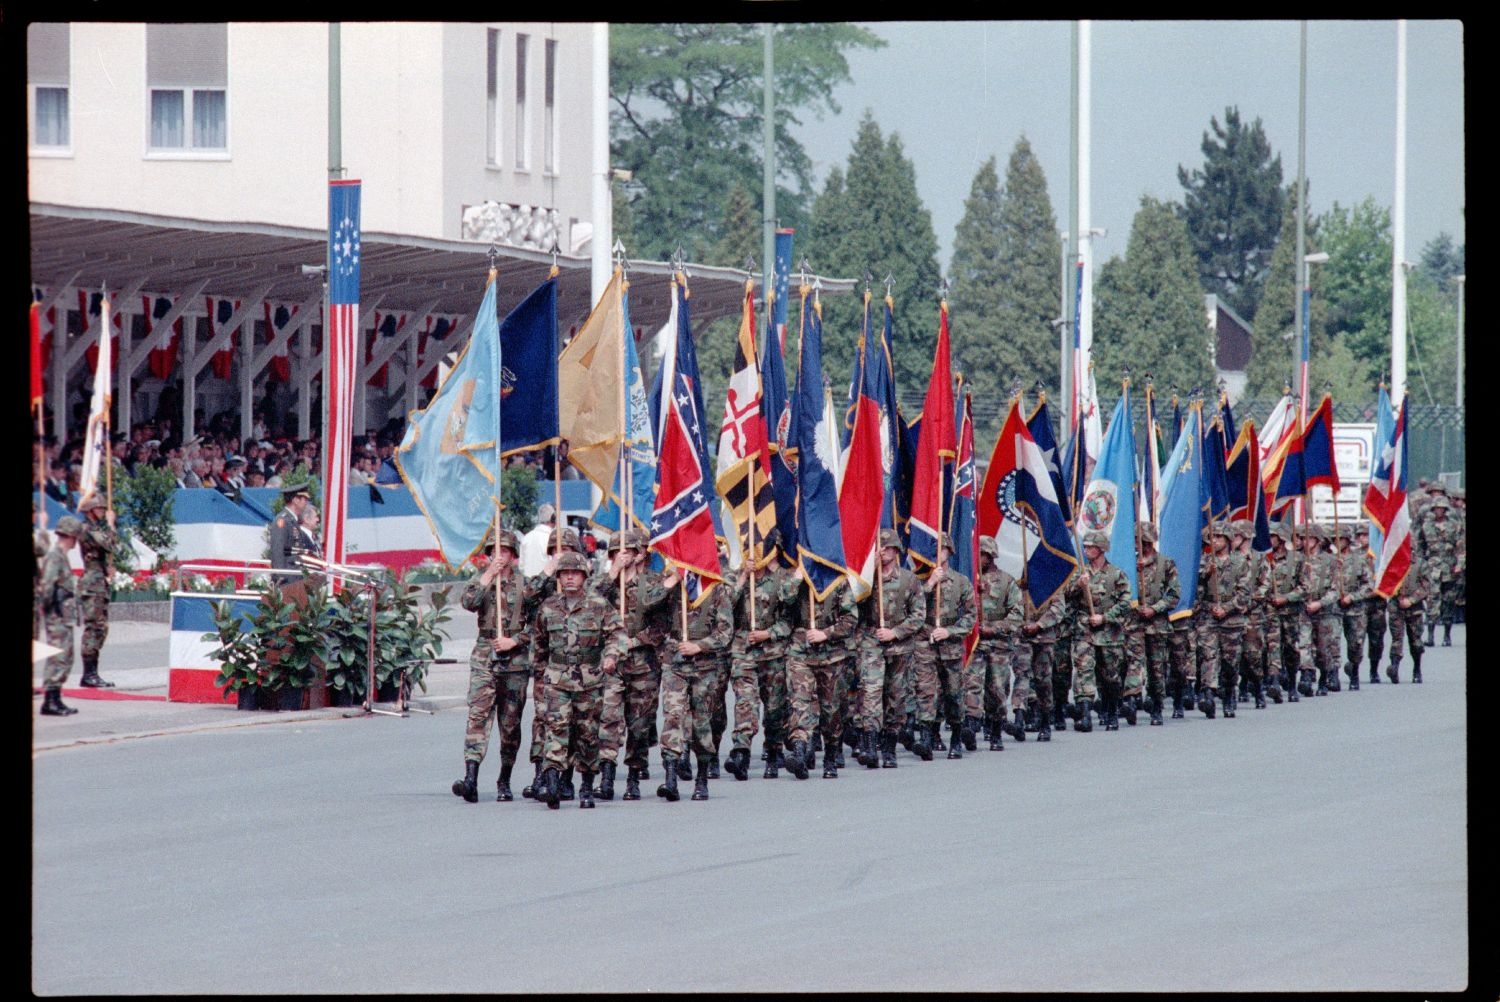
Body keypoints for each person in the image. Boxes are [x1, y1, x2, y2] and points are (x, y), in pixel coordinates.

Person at [530, 550, 626, 809]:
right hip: (557, 679)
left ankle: (586, 786)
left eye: (575, 573)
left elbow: (617, 634)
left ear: (584, 576)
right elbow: (538, 643)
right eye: (564, 573)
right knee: (556, 730)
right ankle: (552, 783)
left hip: (589, 679)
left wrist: (611, 656)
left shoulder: (598, 605)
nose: (570, 577)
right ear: (559, 577)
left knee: (587, 734)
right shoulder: (549, 607)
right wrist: (540, 674)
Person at [451, 530, 541, 804]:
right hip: (485, 657)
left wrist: (515, 640)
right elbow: (468, 602)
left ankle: (505, 777)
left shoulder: (525, 586)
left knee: (510, 725)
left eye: (504, 551)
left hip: (514, 662)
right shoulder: (481, 580)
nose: (498, 556)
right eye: (493, 551)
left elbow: (540, 626)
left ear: (513, 555)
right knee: (478, 716)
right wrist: (488, 574)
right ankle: (471, 777)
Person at [592, 530, 671, 799]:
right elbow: (589, 601)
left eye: (629, 552)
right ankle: (606, 776)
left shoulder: (652, 583)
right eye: (617, 553)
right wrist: (614, 570)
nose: (624, 556)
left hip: (644, 665)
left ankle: (634, 775)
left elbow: (663, 625)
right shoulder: (606, 584)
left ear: (641, 555)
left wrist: (635, 642)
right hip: (611, 664)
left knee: (640, 724)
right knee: (609, 720)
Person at [656, 567, 735, 801]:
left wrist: (700, 646)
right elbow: (647, 603)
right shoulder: (670, 584)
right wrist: (673, 580)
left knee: (702, 723)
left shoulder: (716, 588)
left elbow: (725, 631)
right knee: (672, 716)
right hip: (675, 665)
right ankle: (670, 778)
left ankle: (701, 779)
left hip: (705, 668)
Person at [726, 530, 794, 779]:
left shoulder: (782, 581)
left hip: (773, 654)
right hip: (743, 652)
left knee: (775, 708)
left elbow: (790, 620)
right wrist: (744, 575)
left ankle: (774, 750)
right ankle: (741, 751)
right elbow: (724, 606)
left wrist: (769, 634)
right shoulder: (738, 579)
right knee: (745, 701)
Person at [856, 529, 926, 767]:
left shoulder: (909, 579)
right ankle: (870, 745)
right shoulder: (867, 579)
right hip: (872, 642)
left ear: (896, 550)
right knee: (871, 692)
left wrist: (895, 632)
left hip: (900, 645)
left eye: (886, 548)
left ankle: (889, 748)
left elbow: (918, 616)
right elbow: (852, 604)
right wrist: (867, 573)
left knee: (896, 698)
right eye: (880, 547)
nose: (882, 551)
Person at [782, 571, 858, 780]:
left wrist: (826, 633)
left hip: (831, 656)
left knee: (831, 709)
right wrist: (798, 577)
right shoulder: (798, 578)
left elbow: (850, 619)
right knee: (799, 702)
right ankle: (799, 751)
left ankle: (831, 756)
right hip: (801, 653)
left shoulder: (839, 581)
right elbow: (783, 599)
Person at [913, 533, 978, 757]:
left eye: (942, 549)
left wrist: (949, 631)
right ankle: (926, 738)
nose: (938, 553)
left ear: (949, 552)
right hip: (925, 643)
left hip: (950, 645)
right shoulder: (919, 580)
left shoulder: (961, 581)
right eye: (934, 549)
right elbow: (911, 607)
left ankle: (957, 738)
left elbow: (970, 616)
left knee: (953, 693)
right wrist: (930, 583)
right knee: (926, 692)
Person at [1067, 529, 1132, 730]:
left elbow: (1125, 603)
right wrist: (1078, 585)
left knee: (1110, 676)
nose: (1086, 550)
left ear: (1101, 549)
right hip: (1084, 630)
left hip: (1109, 633)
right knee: (1084, 670)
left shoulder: (1116, 574)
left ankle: (1111, 712)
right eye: (1084, 547)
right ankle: (1085, 714)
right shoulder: (1080, 572)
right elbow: (1066, 595)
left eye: (1091, 547)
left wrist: (1104, 617)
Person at [973, 535, 1026, 746]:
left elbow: (1016, 614)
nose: (978, 558)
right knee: (972, 684)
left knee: (997, 688)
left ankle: (996, 730)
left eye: (982, 554)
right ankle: (971, 725)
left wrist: (994, 628)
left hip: (998, 644)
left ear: (991, 556)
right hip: (975, 644)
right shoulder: (969, 579)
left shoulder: (1006, 581)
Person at [1127, 522, 1180, 725]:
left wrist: (1155, 608)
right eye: (1138, 542)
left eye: (1144, 542)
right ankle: (1131, 700)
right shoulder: (1129, 563)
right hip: (1134, 624)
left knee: (1156, 667)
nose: (1141, 546)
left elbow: (1174, 594)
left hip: (1157, 625)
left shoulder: (1165, 564)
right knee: (1133, 663)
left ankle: (1157, 705)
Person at [38, 516, 85, 716]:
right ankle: (50, 700)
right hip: (56, 615)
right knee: (58, 657)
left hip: (63, 615)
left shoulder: (61, 556)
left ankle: (56, 697)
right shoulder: (55, 556)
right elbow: (47, 586)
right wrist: (49, 609)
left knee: (65, 656)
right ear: (70, 535)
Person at [76, 493, 118, 688]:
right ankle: (89, 674)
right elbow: (110, 544)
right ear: (90, 510)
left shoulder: (93, 528)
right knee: (94, 628)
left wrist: (105, 567)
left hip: (98, 579)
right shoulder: (87, 528)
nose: (103, 511)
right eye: (100, 508)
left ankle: (93, 672)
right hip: (92, 584)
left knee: (101, 627)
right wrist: (111, 524)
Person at [1414, 494, 1462, 647]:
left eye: (1441, 508)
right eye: (1436, 509)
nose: (1438, 511)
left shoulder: (1454, 525)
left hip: (1450, 568)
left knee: (1448, 603)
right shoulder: (1426, 526)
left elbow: (1461, 547)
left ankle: (1447, 636)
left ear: (1445, 510)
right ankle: (1430, 636)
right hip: (1432, 569)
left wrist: (1460, 564)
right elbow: (1420, 547)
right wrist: (1420, 565)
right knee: (1432, 602)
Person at [1299, 524, 1341, 696]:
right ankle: (1307, 677)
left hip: (1325, 611)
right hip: (1303, 610)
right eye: (1302, 538)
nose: (1304, 541)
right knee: (1304, 644)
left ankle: (1324, 679)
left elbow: (1336, 589)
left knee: (1324, 648)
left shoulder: (1330, 561)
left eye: (1308, 538)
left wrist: (1320, 603)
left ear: (1317, 540)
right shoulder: (1297, 559)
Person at [1334, 523, 1373, 691]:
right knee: (1332, 643)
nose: (1337, 542)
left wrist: (1352, 597)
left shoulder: (1359, 560)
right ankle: (1332, 676)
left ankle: (1354, 672)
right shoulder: (1329, 560)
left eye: (1340, 539)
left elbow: (1369, 585)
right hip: (1333, 608)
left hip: (1355, 609)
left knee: (1355, 644)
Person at [1385, 551, 1429, 684]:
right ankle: (1395, 667)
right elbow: (1386, 581)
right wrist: (1397, 595)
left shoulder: (1420, 563)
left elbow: (1426, 586)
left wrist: (1411, 600)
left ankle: (1417, 669)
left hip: (1414, 608)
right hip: (1396, 606)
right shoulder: (1392, 561)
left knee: (1415, 640)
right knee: (1397, 638)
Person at [269, 485, 312, 577]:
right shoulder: (282, 520)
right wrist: (280, 577)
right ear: (295, 500)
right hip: (288, 577)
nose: (306, 503)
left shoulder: (292, 520)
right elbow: (277, 550)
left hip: (295, 574)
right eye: (304, 499)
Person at [520, 503, 558, 576]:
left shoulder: (526, 538)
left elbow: (521, 566)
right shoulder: (553, 539)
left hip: (528, 584)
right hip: (546, 584)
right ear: (553, 518)